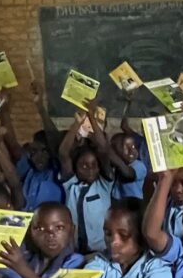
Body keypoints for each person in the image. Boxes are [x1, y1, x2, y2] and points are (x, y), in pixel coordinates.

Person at [58, 107, 114, 255]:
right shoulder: (71, 185)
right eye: (83, 166)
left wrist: (91, 116)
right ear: (75, 168)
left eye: (94, 165)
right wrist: (78, 122)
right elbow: (63, 153)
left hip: (100, 252)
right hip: (74, 251)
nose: (90, 169)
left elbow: (103, 148)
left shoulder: (103, 185)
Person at [17, 132, 64, 212]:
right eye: (34, 151)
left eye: (44, 151)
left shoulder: (58, 174)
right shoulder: (30, 173)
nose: (39, 157)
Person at [109, 132, 148, 201]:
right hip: (118, 205)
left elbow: (128, 174)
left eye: (133, 146)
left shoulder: (139, 165)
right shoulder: (114, 167)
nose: (131, 150)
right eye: (125, 147)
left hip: (133, 207)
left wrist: (107, 150)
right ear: (115, 151)